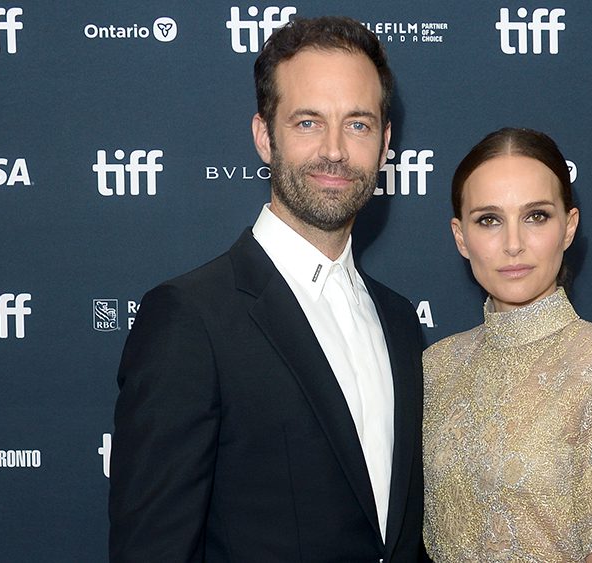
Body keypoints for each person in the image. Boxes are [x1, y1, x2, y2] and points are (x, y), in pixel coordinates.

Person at [109, 17, 425, 562]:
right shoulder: (190, 319)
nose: (334, 150)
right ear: (264, 136)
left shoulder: (399, 321)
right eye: (307, 122)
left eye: (358, 124)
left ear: (385, 142)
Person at [422, 128, 592, 562]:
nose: (513, 244)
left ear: (569, 227)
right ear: (460, 237)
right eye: (489, 219)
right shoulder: (435, 366)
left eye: (536, 216)